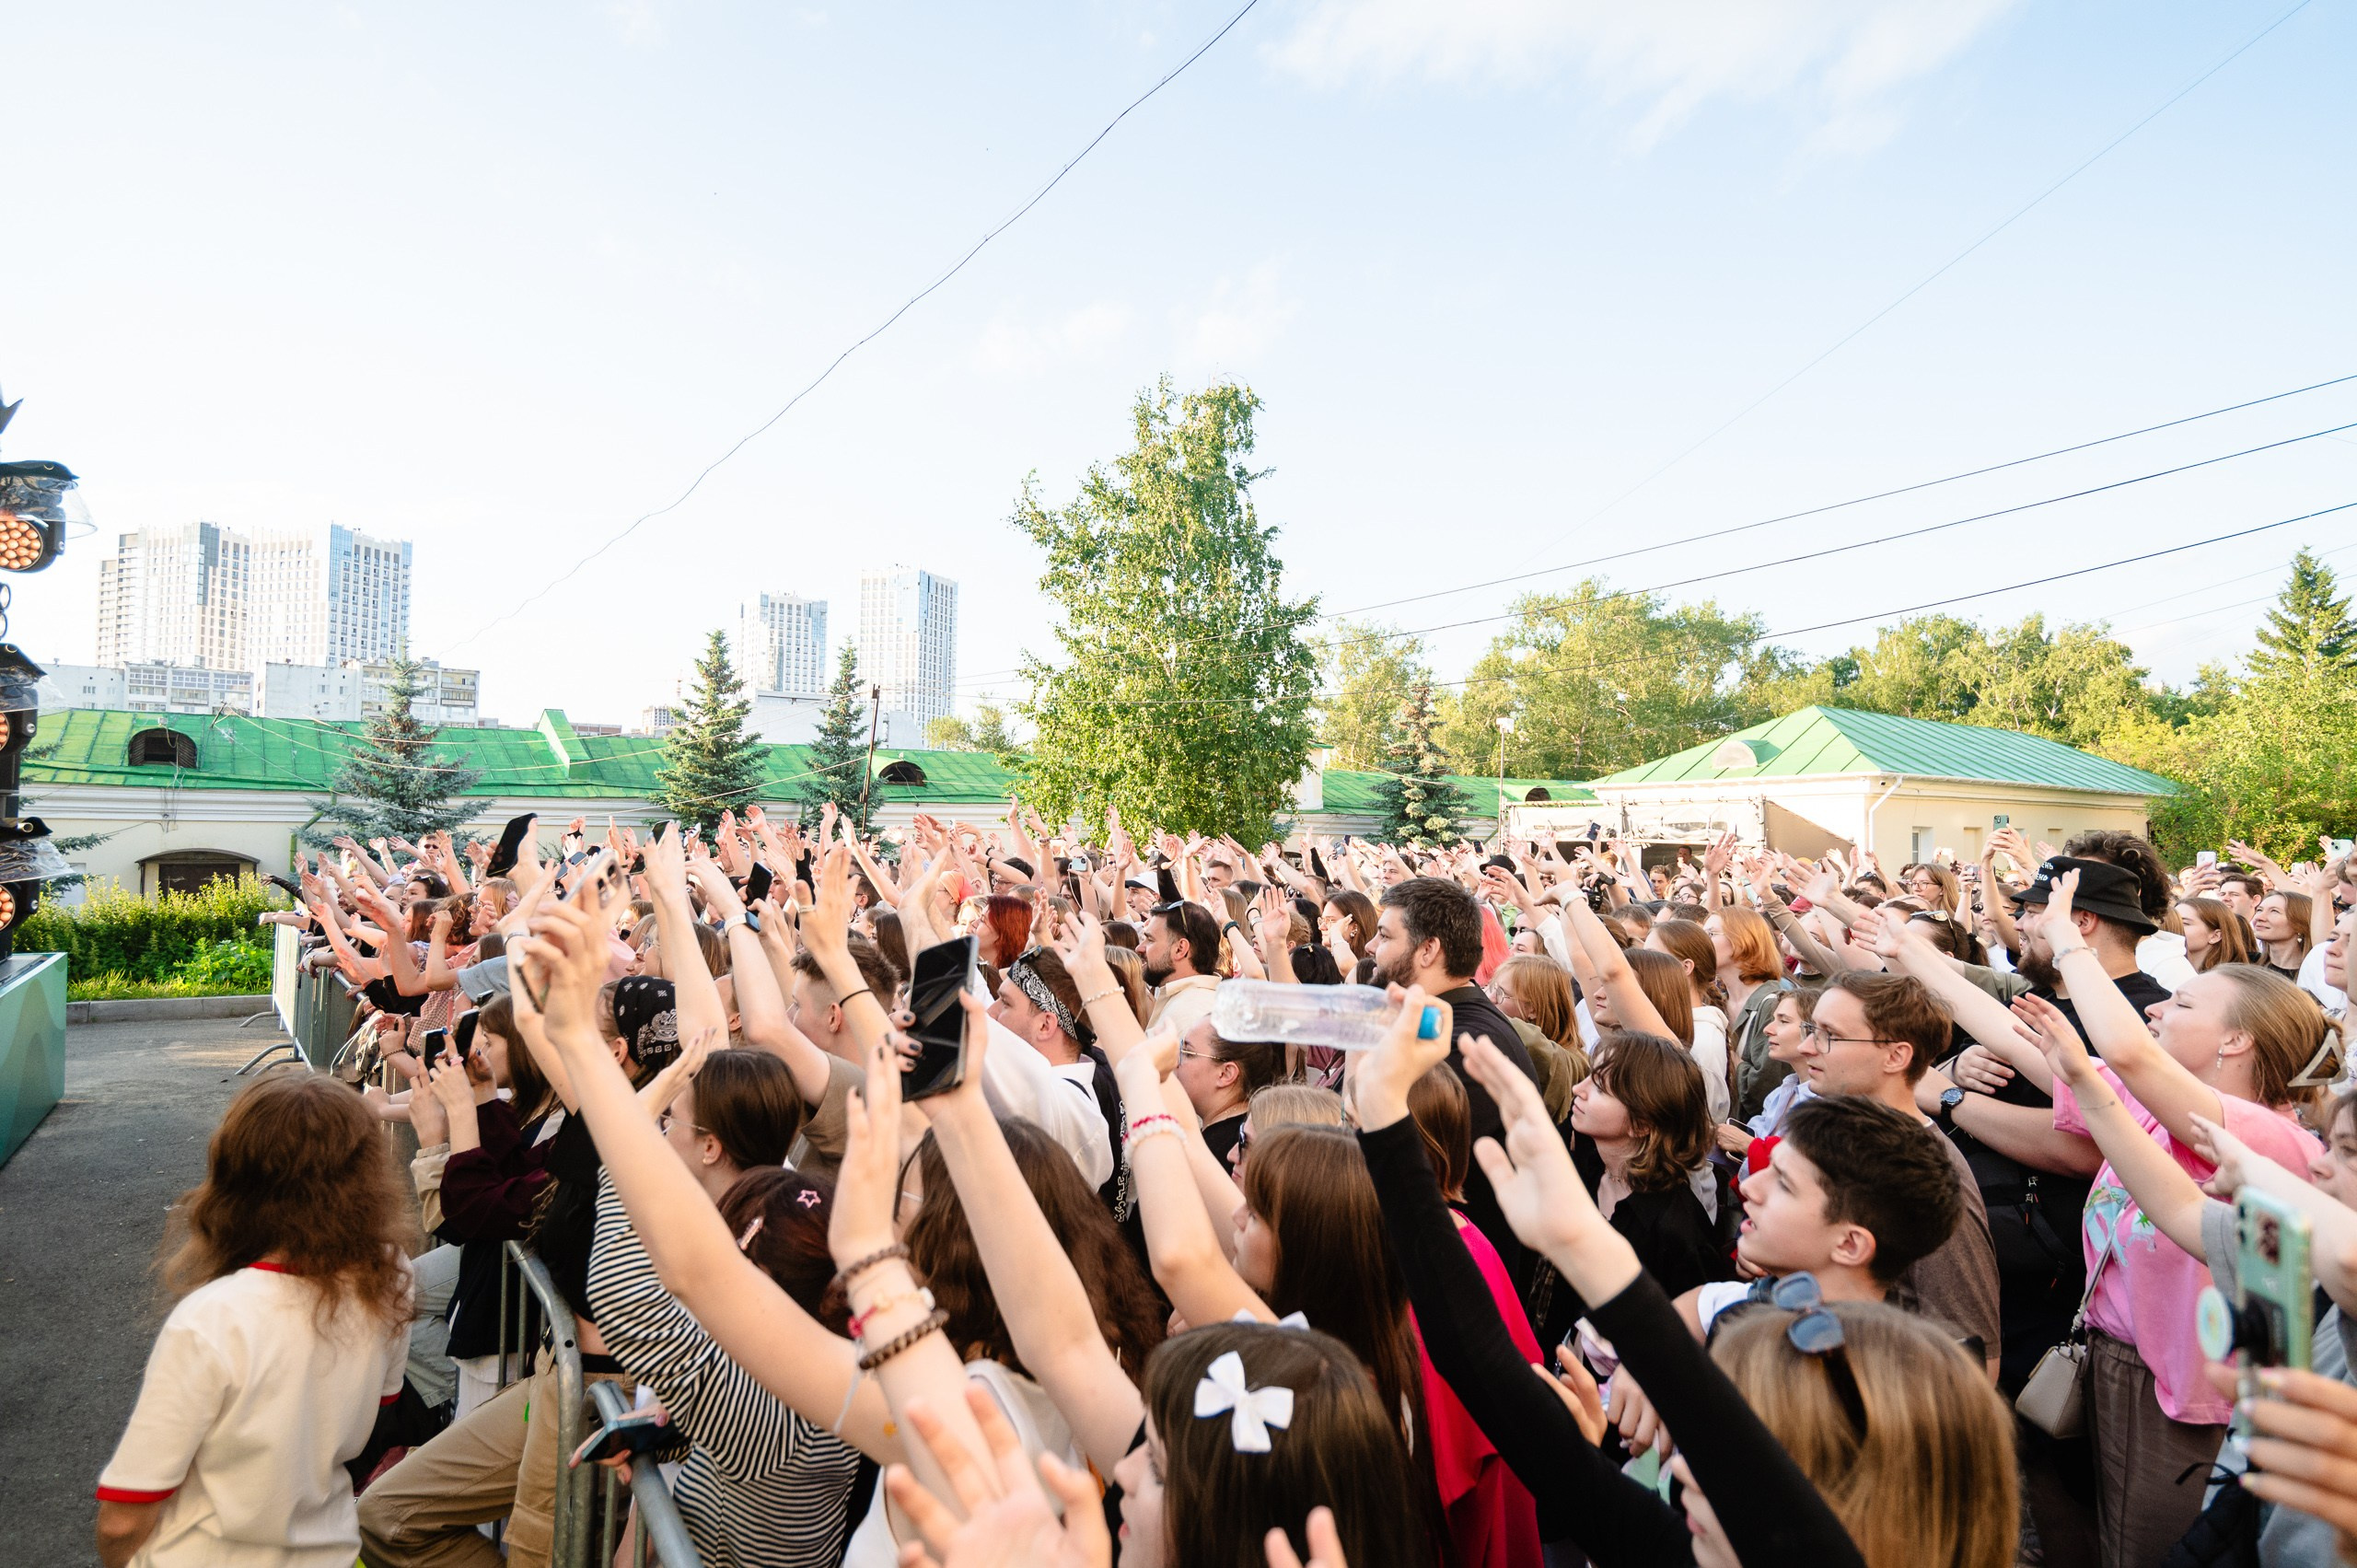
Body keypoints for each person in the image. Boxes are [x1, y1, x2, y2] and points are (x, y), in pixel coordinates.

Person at [1356, 997, 2018, 1568]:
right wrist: (1385, 1115)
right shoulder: (1693, 1542)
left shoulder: (1900, 1375)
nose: (1680, 1470)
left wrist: (1595, 1256)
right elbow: (1481, 1367)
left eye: (1729, 1456)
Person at [2001, 871, 2328, 1568]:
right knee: (2103, 1533)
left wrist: (2066, 938)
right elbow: (2054, 1053)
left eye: (2179, 1001)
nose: (2156, 1011)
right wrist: (1913, 957)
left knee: (2149, 1549)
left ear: (2236, 1041)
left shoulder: (2265, 1138)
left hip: (2188, 1394)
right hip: (2119, 1358)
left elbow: (2125, 1054)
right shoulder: (2157, 1111)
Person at [97, 1070, 414, 1568]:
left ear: (235, 1175)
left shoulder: (213, 1319)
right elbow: (382, 1405)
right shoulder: (392, 1272)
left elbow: (124, 1516)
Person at [1794, 970, 2002, 1379]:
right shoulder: (1838, 1136)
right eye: (1809, 1029)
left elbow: (1974, 1361)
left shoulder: (1931, 1177)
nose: (1805, 1047)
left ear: (1896, 1056)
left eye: (1828, 1035)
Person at [1370, 877, 1542, 1288]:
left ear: (1428, 949)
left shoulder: (1468, 1044)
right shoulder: (1440, 1023)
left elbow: (1391, 1158)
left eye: (1384, 936)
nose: (1370, 948)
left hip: (1458, 1281)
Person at [1142, 900, 1222, 1036]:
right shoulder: (1186, 1002)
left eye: (1150, 940)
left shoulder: (1190, 1014)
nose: (1140, 948)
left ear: (1180, 949)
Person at [2178, 894, 2255, 972]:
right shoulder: (2170, 970)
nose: (2173, 927)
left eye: (2185, 923)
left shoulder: (2230, 981)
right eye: (2173, 921)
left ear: (2215, 936)